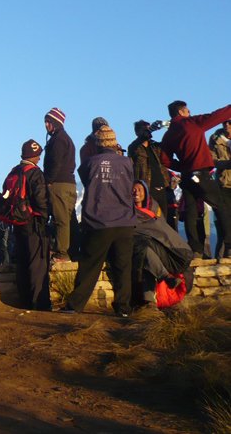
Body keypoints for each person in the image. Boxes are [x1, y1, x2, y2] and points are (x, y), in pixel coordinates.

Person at [63, 127, 136, 317]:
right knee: (123, 267)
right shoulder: (127, 162)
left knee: (89, 265)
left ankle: (75, 304)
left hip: (99, 221)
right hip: (125, 221)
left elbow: (86, 180)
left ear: (97, 143)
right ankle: (123, 308)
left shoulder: (90, 163)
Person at [160, 101, 231, 258]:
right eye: (187, 110)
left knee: (192, 211)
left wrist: (182, 166)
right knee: (221, 205)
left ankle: (196, 249)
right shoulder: (192, 123)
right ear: (181, 112)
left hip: (187, 176)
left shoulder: (169, 134)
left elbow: (164, 159)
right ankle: (229, 244)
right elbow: (216, 116)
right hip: (202, 174)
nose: (190, 112)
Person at [131, 181, 194, 308]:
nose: (136, 192)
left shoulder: (154, 210)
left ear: (146, 193)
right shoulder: (126, 212)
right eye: (133, 189)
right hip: (139, 249)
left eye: (140, 189)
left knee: (146, 252)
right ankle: (162, 282)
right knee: (144, 251)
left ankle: (151, 301)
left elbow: (163, 231)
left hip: (159, 247)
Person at [5, 140, 51, 311]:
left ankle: (24, 300)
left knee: (23, 262)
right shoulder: (35, 173)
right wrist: (44, 217)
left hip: (17, 222)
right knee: (37, 264)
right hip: (33, 223)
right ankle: (40, 303)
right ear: (36, 155)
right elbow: (41, 199)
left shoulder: (14, 171)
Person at [44, 107, 78, 262]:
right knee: (70, 219)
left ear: (55, 122)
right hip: (70, 183)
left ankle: (62, 253)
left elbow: (55, 163)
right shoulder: (67, 139)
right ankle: (73, 250)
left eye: (48, 122)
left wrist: (49, 181)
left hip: (59, 184)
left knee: (61, 219)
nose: (46, 125)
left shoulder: (58, 140)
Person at [127, 120, 170, 220]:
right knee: (150, 218)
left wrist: (169, 128)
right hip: (147, 188)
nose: (148, 132)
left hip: (162, 187)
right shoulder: (134, 147)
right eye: (145, 130)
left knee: (164, 219)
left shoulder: (155, 146)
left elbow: (169, 144)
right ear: (137, 132)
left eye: (149, 129)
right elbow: (142, 138)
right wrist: (151, 130)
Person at [209, 120, 231, 257]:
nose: (227, 125)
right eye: (224, 123)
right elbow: (211, 159)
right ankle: (227, 250)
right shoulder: (215, 138)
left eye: (229, 122)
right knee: (225, 219)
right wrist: (227, 164)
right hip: (224, 182)